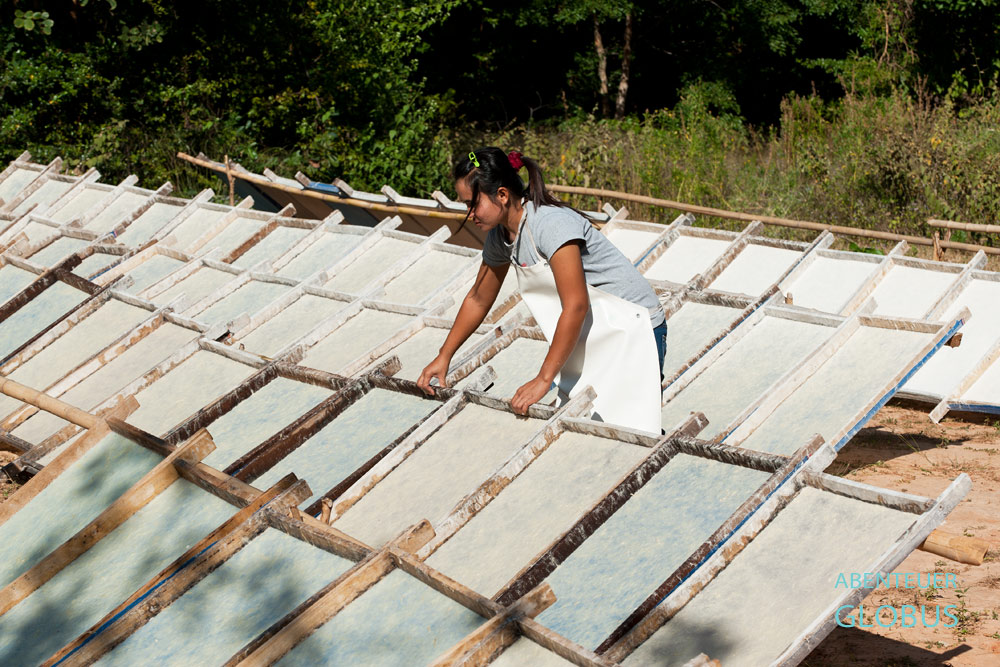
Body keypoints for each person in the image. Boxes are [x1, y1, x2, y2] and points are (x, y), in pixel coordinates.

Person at [417, 146, 667, 433]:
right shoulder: (500, 238)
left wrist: (544, 378)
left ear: (502, 194)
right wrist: (444, 356)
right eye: (465, 206)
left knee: (633, 426)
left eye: (473, 204)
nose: (469, 213)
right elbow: (478, 298)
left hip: (633, 329)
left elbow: (576, 305)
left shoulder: (549, 224)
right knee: (589, 429)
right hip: (594, 331)